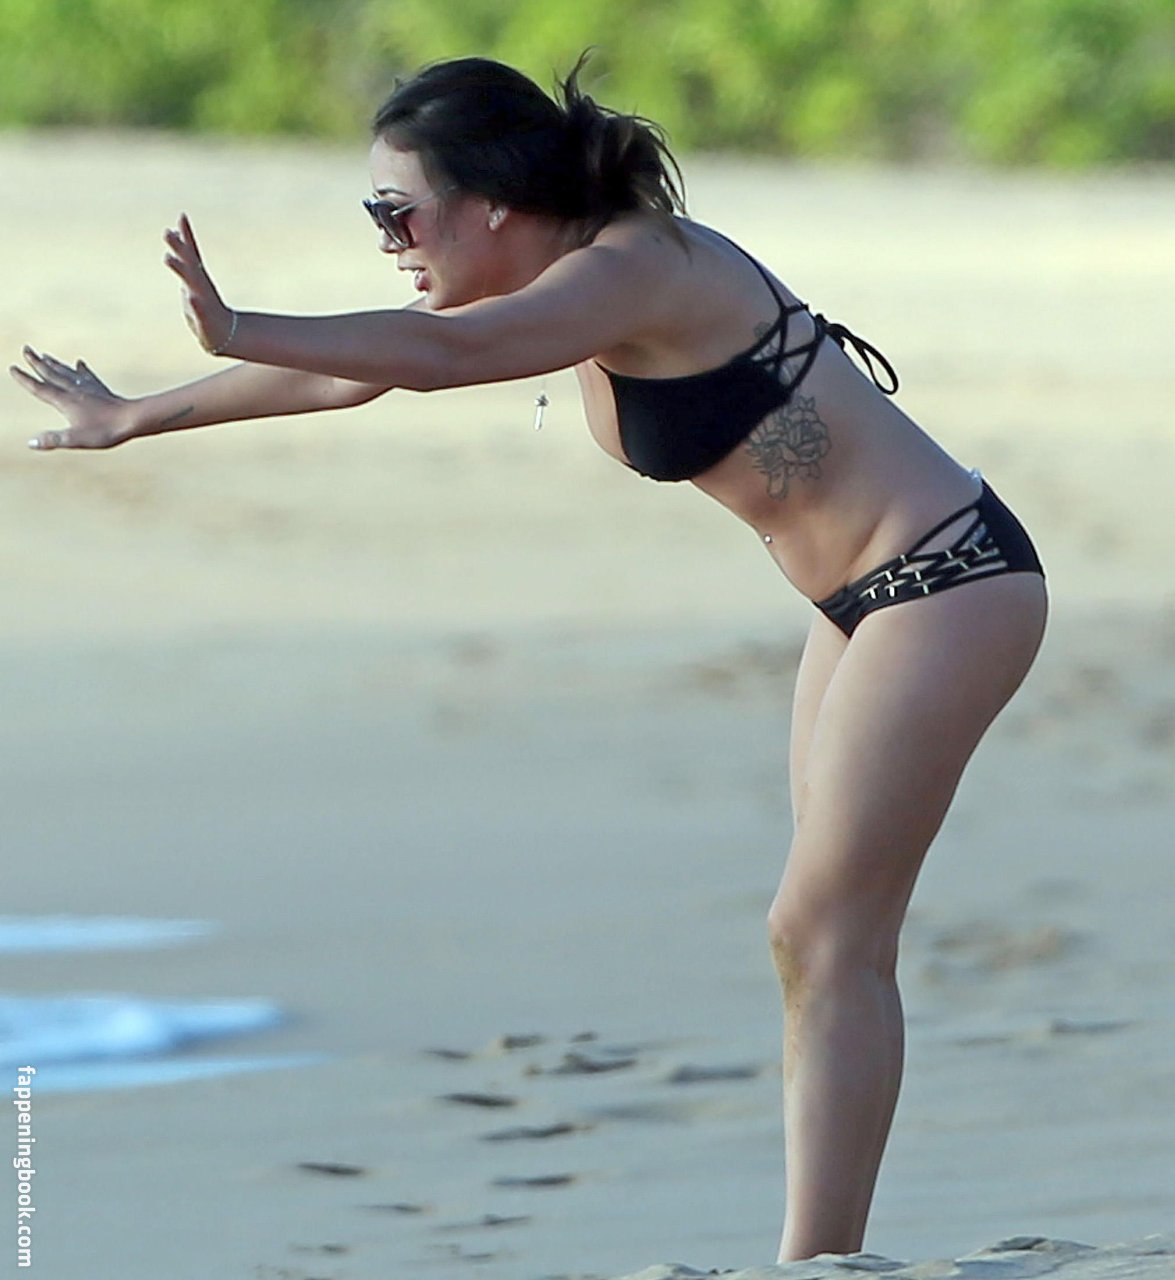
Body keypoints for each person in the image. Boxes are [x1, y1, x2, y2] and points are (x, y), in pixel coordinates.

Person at [9, 53, 1046, 1262]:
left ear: (492, 204)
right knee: (816, 942)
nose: (388, 241)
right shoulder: (565, 282)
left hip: (946, 581)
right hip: (853, 604)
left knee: (818, 931)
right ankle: (820, 1253)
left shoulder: (633, 268)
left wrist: (239, 318)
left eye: (396, 212)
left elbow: (439, 354)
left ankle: (814, 1259)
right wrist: (137, 413)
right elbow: (354, 372)